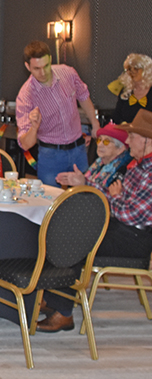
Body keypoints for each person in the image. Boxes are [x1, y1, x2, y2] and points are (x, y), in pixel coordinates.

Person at [40, 110, 152, 332]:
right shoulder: (139, 166)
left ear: (147, 140)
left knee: (76, 240)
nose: (128, 141)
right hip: (123, 229)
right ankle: (55, 300)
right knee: (67, 231)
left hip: (134, 239)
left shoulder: (148, 171)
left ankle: (63, 312)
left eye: (132, 137)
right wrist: (111, 195)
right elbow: (117, 202)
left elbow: (130, 214)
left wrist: (115, 198)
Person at [16, 40, 100, 186]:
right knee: (51, 198)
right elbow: (25, 144)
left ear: (50, 59)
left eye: (46, 66)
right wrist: (34, 127)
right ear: (27, 67)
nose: (43, 73)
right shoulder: (26, 96)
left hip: (78, 149)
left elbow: (83, 96)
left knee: (84, 195)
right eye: (37, 68)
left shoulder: (68, 73)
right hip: (51, 155)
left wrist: (95, 123)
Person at [55, 123, 132, 192]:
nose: (100, 144)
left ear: (120, 149)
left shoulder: (123, 171)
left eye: (106, 142)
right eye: (99, 140)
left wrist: (83, 183)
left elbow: (110, 197)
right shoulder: (98, 163)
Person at [109, 53, 152, 124]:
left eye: (136, 68)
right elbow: (116, 117)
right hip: (127, 130)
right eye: (129, 69)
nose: (132, 71)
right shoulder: (125, 92)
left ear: (146, 70)